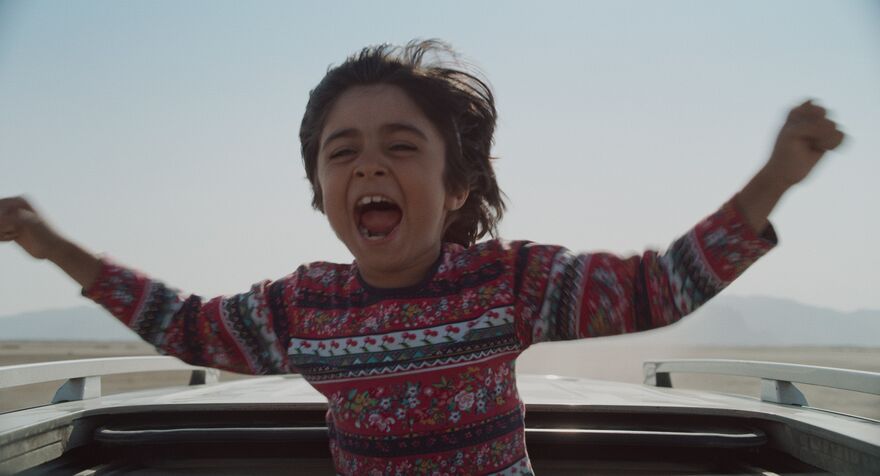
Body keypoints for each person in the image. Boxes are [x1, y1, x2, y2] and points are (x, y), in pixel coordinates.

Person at [0, 40, 844, 475]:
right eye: (343, 153)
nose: (368, 165)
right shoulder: (303, 308)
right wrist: (50, 245)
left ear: (455, 187)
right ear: (319, 191)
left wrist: (774, 179)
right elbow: (183, 326)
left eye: (400, 146)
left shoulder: (509, 282)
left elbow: (656, 288)